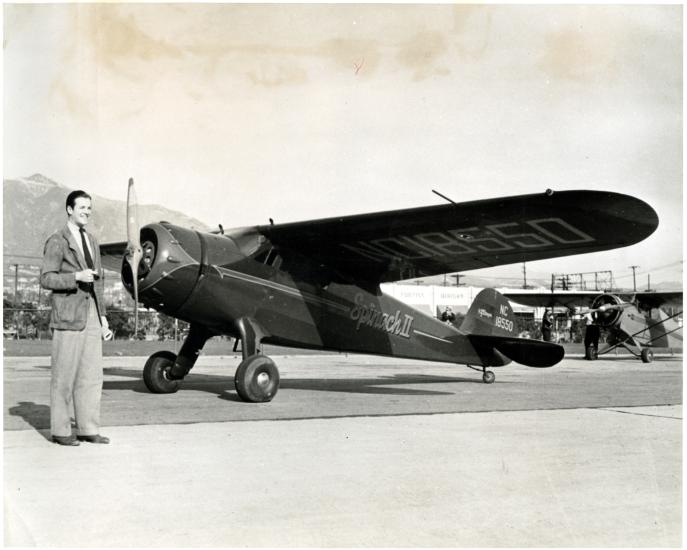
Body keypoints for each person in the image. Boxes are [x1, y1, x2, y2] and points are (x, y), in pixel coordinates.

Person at [40, 190, 111, 446]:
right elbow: (46, 278)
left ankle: (88, 428)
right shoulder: (57, 241)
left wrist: (103, 317)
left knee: (91, 376)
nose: (87, 211)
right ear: (69, 209)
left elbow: (99, 284)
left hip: (91, 313)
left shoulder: (92, 241)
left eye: (89, 208)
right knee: (64, 375)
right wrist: (75, 278)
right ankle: (60, 431)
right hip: (68, 315)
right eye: (82, 207)